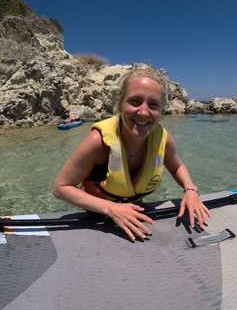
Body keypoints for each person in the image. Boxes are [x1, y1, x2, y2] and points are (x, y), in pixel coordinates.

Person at [52, 64, 211, 241]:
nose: (143, 112)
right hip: (94, 218)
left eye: (153, 104)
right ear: (120, 103)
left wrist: (190, 189)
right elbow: (60, 188)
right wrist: (110, 209)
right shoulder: (99, 142)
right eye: (135, 101)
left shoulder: (163, 140)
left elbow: (176, 167)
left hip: (134, 218)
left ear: (161, 110)